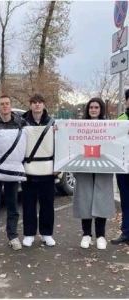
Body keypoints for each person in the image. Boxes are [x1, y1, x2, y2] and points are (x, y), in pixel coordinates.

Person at [0, 95, 27, 252]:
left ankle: (13, 236)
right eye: (2, 104)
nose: (4, 106)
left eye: (7, 104)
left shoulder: (21, 123)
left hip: (13, 172)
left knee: (12, 206)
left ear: (11, 106)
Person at [72, 97, 114, 250]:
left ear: (101, 109)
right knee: (85, 201)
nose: (93, 110)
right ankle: (86, 234)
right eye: (91, 107)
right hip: (85, 168)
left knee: (101, 201)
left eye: (96, 107)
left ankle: (101, 236)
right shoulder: (79, 127)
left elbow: (115, 143)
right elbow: (70, 141)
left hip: (102, 168)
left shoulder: (110, 127)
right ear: (87, 110)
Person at [21, 94, 56, 247]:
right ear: (30, 105)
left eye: (39, 102)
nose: (37, 105)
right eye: (34, 102)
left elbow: (59, 144)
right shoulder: (21, 122)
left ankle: (46, 234)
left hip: (48, 170)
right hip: (28, 170)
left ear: (44, 105)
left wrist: (58, 166)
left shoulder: (53, 123)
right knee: (28, 204)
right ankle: (29, 234)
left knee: (47, 204)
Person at [111, 89, 129, 245]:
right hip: (123, 168)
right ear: (127, 101)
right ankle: (125, 233)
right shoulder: (121, 119)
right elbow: (113, 142)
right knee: (125, 201)